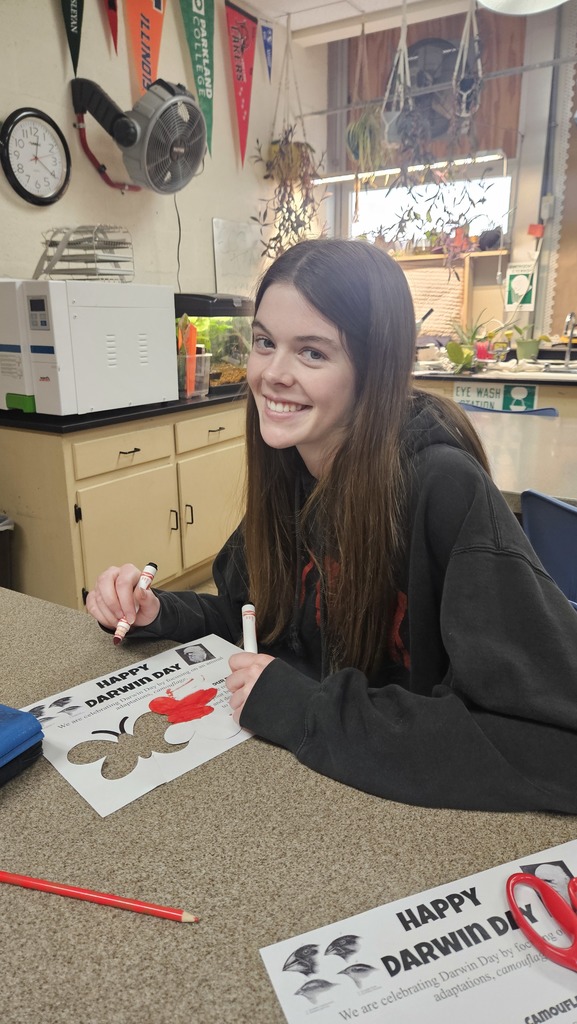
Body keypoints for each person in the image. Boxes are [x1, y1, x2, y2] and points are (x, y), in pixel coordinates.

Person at [86, 238, 577, 813]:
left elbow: (551, 741)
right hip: (317, 792)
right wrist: (162, 612)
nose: (272, 374)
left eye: (312, 353)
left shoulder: (441, 488)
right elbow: (262, 620)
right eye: (265, 343)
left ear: (373, 370)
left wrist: (307, 710)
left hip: (410, 822)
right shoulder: (294, 459)